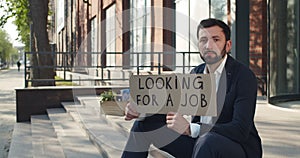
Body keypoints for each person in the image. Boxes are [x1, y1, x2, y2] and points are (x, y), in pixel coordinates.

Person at [122, 18, 262, 158]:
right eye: (203, 40)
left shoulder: (243, 76)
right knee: (144, 125)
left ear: (228, 45)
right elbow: (168, 106)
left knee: (208, 140)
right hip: (200, 146)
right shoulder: (196, 73)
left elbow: (240, 129)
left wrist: (191, 129)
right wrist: (141, 109)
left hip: (236, 148)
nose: (208, 45)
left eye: (216, 39)